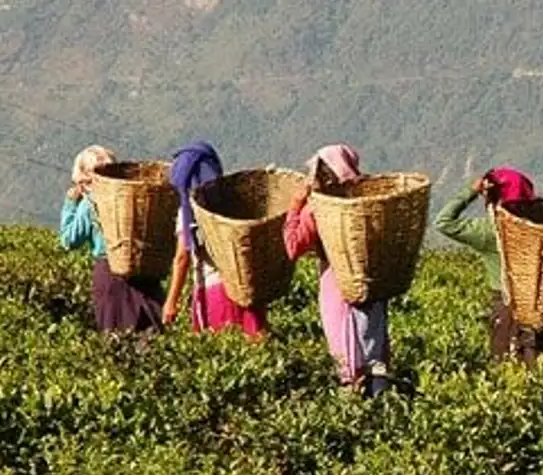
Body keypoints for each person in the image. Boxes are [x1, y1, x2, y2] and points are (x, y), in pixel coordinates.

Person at [435, 167, 543, 379]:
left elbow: (444, 222)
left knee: (510, 372)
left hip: (508, 309)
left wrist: (470, 192)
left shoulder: (491, 232)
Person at [284, 144, 393, 397]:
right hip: (372, 284)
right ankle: (381, 401)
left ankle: (352, 401)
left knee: (346, 353)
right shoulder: (368, 204)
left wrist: (295, 208)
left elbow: (293, 247)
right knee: (374, 349)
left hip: (338, 284)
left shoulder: (319, 210)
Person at [160, 141, 267, 338]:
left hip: (215, 293)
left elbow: (182, 257)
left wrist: (171, 301)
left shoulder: (190, 211)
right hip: (245, 290)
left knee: (223, 351)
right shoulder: (235, 201)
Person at [58, 144, 163, 334]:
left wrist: (71, 205)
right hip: (145, 272)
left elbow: (69, 240)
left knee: (116, 337)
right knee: (149, 337)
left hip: (110, 275)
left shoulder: (92, 203)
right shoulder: (135, 199)